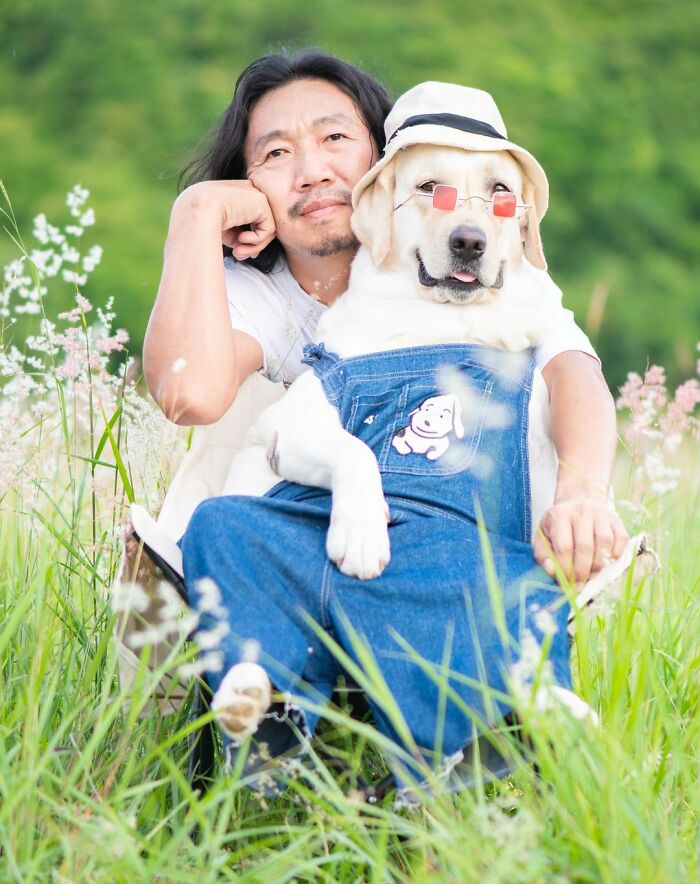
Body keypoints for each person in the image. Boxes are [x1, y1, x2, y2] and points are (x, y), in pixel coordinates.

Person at [143, 49, 628, 587]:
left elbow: (574, 370)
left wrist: (584, 493)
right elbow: (187, 394)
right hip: (298, 537)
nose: (311, 172)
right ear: (249, 180)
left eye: (335, 139)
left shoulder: (486, 277)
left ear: (383, 163)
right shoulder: (266, 292)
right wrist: (195, 213)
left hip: (465, 540)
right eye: (277, 153)